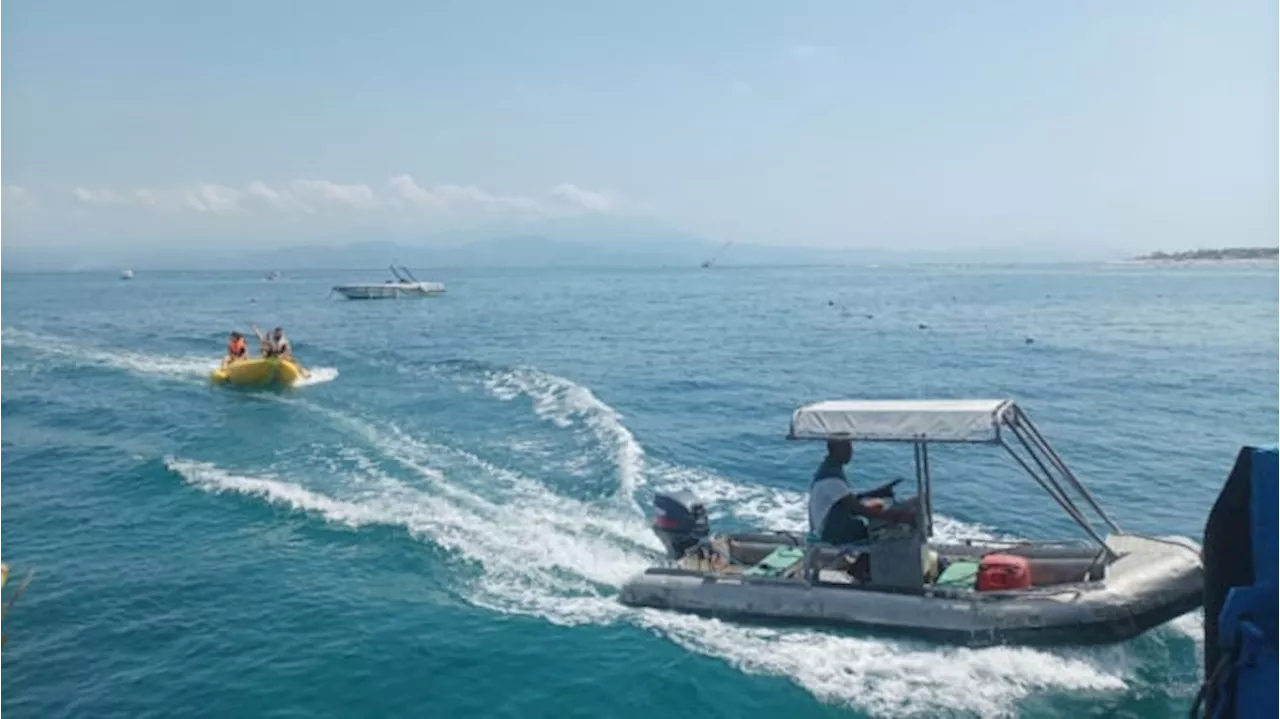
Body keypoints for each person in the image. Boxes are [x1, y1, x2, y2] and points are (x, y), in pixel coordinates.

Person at [808, 439, 919, 545]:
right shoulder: (831, 477)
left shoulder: (829, 468)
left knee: (878, 507)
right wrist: (894, 516)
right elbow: (857, 509)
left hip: (832, 525)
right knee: (888, 532)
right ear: (834, 449)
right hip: (833, 533)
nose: (851, 451)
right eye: (846, 447)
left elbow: (846, 499)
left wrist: (878, 493)